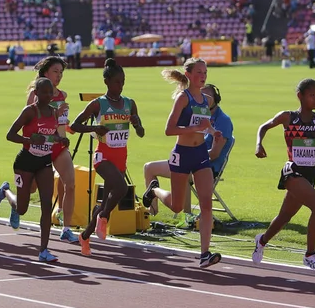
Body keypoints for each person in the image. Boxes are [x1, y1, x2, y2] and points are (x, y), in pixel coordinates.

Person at [141, 58, 222, 268]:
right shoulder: (183, 99)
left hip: (201, 153)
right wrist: (194, 129)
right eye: (199, 72)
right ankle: (154, 191)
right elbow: (169, 130)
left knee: (206, 203)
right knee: (177, 206)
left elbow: (203, 125)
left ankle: (204, 253)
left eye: (205, 72)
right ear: (188, 75)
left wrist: (214, 132)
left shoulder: (205, 99)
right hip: (183, 154)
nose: (203, 76)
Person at [253, 79, 315, 270]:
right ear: (300, 96)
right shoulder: (288, 117)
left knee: (285, 216)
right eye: (312, 95)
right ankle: (310, 255)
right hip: (293, 172)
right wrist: (259, 144)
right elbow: (264, 127)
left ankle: (261, 240)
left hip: (310, 174)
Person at [70, 59, 145, 256]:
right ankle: (104, 217)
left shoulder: (130, 103)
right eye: (117, 82)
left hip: (121, 157)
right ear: (106, 81)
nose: (120, 86)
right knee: (121, 188)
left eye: (123, 81)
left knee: (106, 201)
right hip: (102, 156)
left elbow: (141, 133)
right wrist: (94, 128)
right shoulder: (97, 104)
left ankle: (85, 237)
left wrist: (137, 124)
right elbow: (74, 126)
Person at [0, 78, 68, 262]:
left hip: (44, 162)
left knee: (46, 205)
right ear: (36, 92)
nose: (48, 95)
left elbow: (52, 134)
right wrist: (29, 140)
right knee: (22, 208)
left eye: (50, 92)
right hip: (25, 162)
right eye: (44, 92)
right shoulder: (29, 111)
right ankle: (6, 191)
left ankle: (43, 250)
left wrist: (60, 140)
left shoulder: (53, 112)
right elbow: (10, 135)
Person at [143, 83, 233, 217]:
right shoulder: (197, 113)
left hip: (206, 166)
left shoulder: (223, 120)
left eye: (207, 96)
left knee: (195, 204)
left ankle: (187, 215)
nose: (202, 98)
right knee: (149, 168)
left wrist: (195, 155)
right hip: (190, 159)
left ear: (214, 99)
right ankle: (152, 212)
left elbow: (214, 154)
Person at [21, 56, 78, 243]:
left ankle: (66, 228)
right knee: (30, 190)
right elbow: (29, 122)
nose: (59, 76)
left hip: (59, 146)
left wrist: (68, 127)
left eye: (61, 72)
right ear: (46, 72)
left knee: (70, 183)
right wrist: (55, 115)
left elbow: (62, 123)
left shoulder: (63, 96)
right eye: (55, 72)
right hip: (39, 147)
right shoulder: (34, 96)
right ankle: (10, 194)